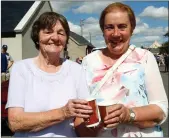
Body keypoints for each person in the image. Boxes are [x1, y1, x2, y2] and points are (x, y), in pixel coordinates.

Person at [74, 2, 168, 137]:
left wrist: (128, 114)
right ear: (103, 31)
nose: (116, 34)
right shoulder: (89, 61)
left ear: (132, 29)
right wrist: (89, 126)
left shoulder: (144, 58)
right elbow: (81, 114)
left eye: (122, 27)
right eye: (109, 27)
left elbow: (161, 111)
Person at [6, 12, 93, 137]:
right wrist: (63, 113)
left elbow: (84, 116)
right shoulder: (21, 69)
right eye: (48, 32)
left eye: (61, 33)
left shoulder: (76, 70)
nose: (55, 37)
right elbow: (15, 122)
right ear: (37, 37)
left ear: (66, 39)